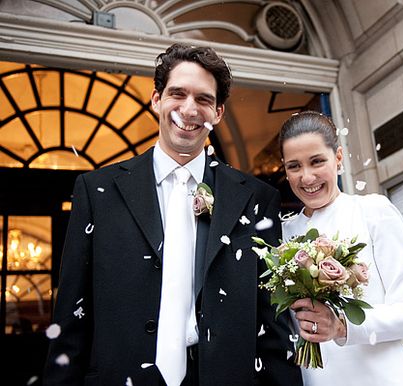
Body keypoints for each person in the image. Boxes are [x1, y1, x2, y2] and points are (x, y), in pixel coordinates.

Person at [44, 44, 302, 386]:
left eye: (204, 100)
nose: (189, 109)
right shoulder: (97, 191)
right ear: (156, 100)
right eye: (177, 94)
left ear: (219, 113)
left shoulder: (256, 198)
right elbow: (71, 317)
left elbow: (273, 323)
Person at [279, 111, 403, 386]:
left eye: (317, 161)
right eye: (294, 166)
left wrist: (341, 326)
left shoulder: (373, 211)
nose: (307, 177)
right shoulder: (283, 234)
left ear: (338, 158)